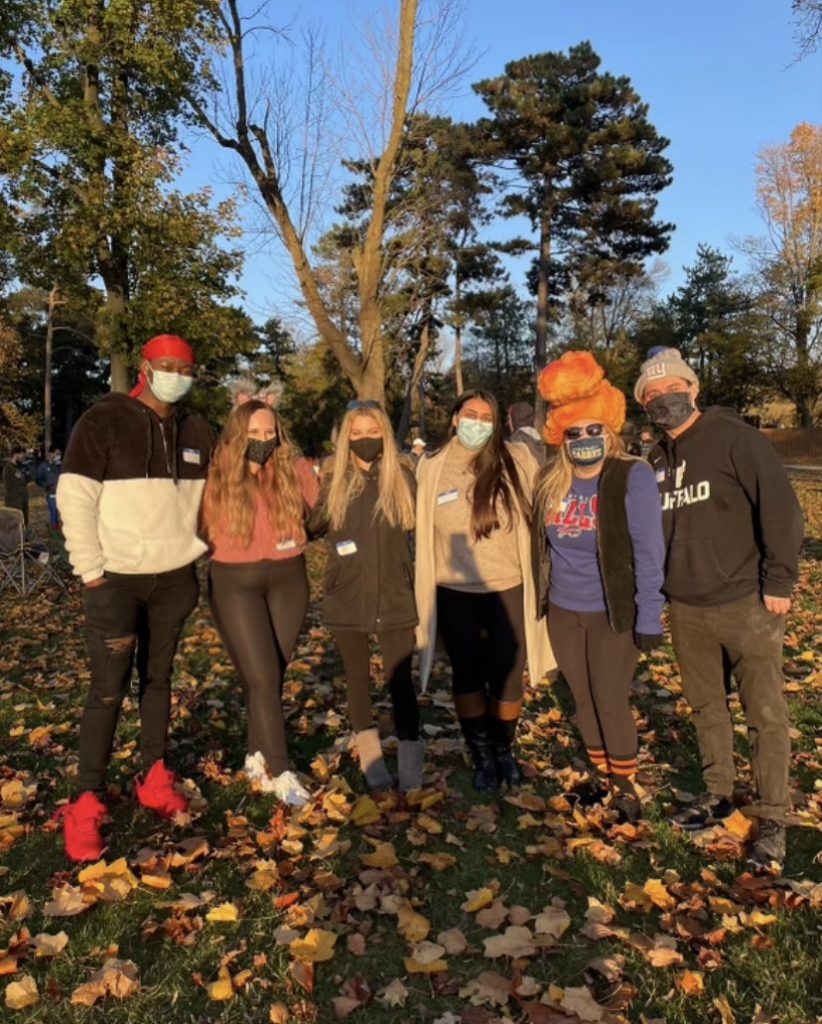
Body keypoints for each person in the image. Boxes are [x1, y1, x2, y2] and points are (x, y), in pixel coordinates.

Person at [634, 346, 804, 869]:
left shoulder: (737, 438)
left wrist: (779, 578)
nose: (665, 400)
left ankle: (773, 814)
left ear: (694, 388)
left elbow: (781, 509)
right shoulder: (655, 459)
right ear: (643, 404)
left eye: (672, 389)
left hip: (747, 603)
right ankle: (718, 792)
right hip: (686, 607)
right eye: (652, 395)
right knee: (708, 708)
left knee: (765, 712)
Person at [55, 334, 213, 862]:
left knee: (158, 679)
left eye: (184, 368)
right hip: (115, 579)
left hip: (173, 577)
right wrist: (91, 571)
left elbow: (210, 499)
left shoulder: (195, 431)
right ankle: (86, 800)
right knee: (107, 688)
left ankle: (153, 773)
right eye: (166, 366)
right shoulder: (103, 421)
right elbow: (74, 496)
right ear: (146, 367)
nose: (175, 374)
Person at [532, 352, 666, 821]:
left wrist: (649, 614)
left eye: (594, 430)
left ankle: (625, 783)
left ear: (609, 431)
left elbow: (650, 552)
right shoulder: (551, 481)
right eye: (575, 432)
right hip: (564, 612)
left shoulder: (632, 476)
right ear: (561, 437)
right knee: (582, 697)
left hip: (613, 612)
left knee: (610, 697)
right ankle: (598, 773)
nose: (585, 439)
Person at [415, 389, 555, 792]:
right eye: (470, 414)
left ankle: (503, 748)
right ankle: (480, 755)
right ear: (455, 418)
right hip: (455, 591)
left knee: (509, 677)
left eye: (486, 416)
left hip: (508, 588)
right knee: (468, 677)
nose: (477, 422)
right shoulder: (432, 467)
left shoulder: (518, 461)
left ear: (496, 424)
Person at [202, 397, 319, 805]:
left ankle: (255, 755)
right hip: (235, 582)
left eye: (270, 433)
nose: (263, 440)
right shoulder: (215, 472)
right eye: (254, 434)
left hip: (289, 579)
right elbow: (196, 522)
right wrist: (245, 471)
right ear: (237, 434)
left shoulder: (294, 469)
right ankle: (283, 771)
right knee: (263, 677)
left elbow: (319, 512)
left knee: (271, 675)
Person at [308, 400, 423, 792]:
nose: (365, 439)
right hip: (348, 594)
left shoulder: (403, 479)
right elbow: (310, 524)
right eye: (356, 433)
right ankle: (372, 761)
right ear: (345, 439)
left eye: (373, 432)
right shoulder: (333, 482)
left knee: (400, 681)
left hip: (395, 594)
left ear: (385, 435)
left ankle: (411, 764)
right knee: (357, 680)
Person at [508, 401, 548, 465]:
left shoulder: (516, 441)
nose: (508, 423)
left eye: (510, 418)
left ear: (516, 418)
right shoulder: (537, 439)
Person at [35, 445, 63, 530]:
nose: (59, 455)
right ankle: (54, 530)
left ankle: (61, 529)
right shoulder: (43, 466)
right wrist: (45, 485)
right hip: (51, 494)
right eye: (57, 453)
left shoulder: (60, 465)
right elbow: (38, 479)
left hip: (62, 494)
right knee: (53, 512)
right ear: (51, 454)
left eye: (60, 454)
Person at [2, 447, 30, 526]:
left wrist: (27, 474)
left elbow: (26, 479)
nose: (23, 459)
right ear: (16, 455)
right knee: (15, 522)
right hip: (14, 500)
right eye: (22, 456)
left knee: (24, 520)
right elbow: (19, 480)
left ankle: (23, 536)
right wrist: (24, 476)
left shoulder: (19, 467)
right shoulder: (8, 468)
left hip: (22, 498)